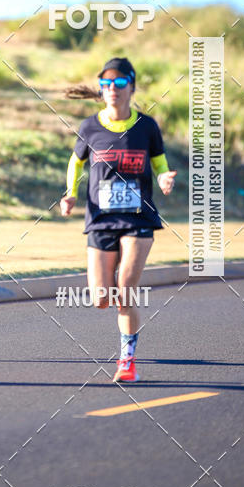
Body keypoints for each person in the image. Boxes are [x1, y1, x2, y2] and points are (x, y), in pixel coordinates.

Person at [60, 57, 176, 382]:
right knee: (100, 299)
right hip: (100, 220)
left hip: (139, 218)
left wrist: (165, 178)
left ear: (132, 87)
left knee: (125, 289)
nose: (113, 89)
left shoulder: (147, 126)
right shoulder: (89, 127)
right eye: (107, 83)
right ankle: (112, 280)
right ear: (101, 89)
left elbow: (161, 163)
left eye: (120, 83)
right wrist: (69, 193)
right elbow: (76, 163)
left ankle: (127, 359)